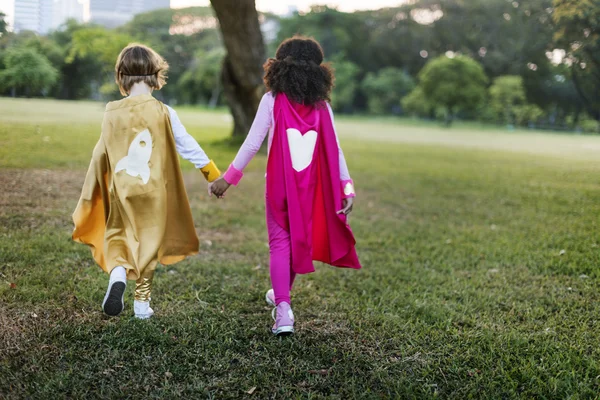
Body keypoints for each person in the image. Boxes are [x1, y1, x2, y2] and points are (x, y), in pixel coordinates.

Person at [210, 36, 361, 336]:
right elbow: (337, 150)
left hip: (278, 188)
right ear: (319, 73)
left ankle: (283, 308)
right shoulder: (322, 108)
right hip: (312, 189)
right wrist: (346, 186)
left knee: (280, 243)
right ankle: (282, 300)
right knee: (296, 243)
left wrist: (228, 178)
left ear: (279, 68)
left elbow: (253, 143)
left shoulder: (271, 100)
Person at [72, 44, 221, 319]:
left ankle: (118, 275)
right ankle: (141, 305)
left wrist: (93, 187)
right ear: (155, 75)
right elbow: (187, 145)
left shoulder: (111, 111)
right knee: (149, 243)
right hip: (154, 193)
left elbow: (101, 151)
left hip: (122, 189)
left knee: (118, 235)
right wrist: (212, 175)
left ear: (121, 76)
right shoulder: (164, 112)